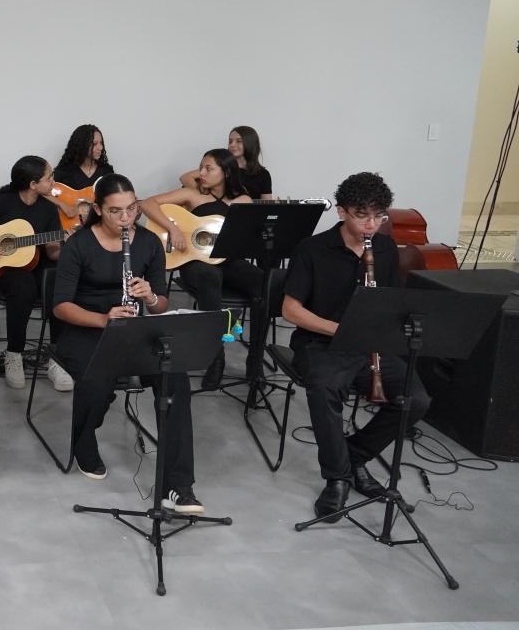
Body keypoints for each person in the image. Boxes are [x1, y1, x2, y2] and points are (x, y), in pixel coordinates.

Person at [282, 172, 430, 522]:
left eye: (379, 216)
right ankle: (338, 477)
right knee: (325, 388)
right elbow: (291, 310)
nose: (372, 224)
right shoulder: (312, 249)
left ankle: (354, 455)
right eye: (362, 215)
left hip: (369, 343)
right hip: (321, 343)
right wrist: (343, 330)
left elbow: (391, 302)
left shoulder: (385, 248)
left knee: (416, 400)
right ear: (342, 212)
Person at [52, 173, 204, 513]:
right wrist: (103, 319)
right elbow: (60, 306)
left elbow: (161, 305)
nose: (126, 218)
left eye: (132, 209)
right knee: (98, 381)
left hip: (134, 329)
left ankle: (178, 485)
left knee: (174, 378)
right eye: (115, 211)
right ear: (97, 209)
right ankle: (84, 440)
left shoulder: (149, 243)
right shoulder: (78, 244)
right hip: (86, 328)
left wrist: (150, 296)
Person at [141, 148, 261, 389]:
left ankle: (255, 359)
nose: (201, 173)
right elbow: (147, 204)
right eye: (201, 167)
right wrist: (173, 229)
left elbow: (248, 239)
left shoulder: (243, 201)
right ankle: (215, 358)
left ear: (226, 172)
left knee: (264, 283)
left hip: (231, 262)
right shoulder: (192, 194)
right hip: (195, 263)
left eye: (209, 169)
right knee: (209, 276)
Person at [0, 155, 69, 390]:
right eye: (50, 177)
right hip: (3, 267)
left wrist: (67, 246)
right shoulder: (4, 202)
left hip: (38, 263)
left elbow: (52, 250)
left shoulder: (48, 209)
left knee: (57, 282)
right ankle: (14, 354)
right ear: (33, 184)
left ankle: (56, 358)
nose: (53, 181)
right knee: (22, 288)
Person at [179, 126, 273, 200]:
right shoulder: (222, 167)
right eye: (230, 141)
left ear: (250, 144)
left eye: (238, 141)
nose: (232, 145)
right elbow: (185, 177)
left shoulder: (263, 174)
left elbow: (267, 204)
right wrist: (201, 198)